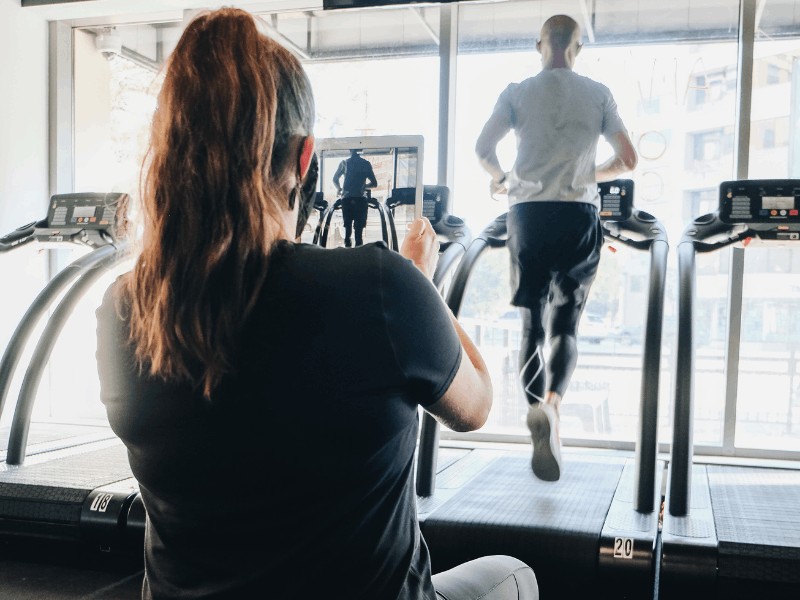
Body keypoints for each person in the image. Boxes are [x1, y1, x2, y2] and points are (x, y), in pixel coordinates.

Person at [95, 8, 538, 600]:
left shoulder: (125, 308)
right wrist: (422, 285)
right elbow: (476, 405)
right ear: (305, 161)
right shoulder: (380, 288)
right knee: (513, 574)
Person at [475, 14, 637, 482]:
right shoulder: (598, 93)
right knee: (565, 323)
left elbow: (483, 149)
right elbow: (628, 159)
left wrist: (503, 180)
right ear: (578, 48)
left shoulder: (517, 92)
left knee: (531, 319)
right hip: (578, 214)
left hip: (527, 213)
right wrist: (592, 174)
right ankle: (553, 406)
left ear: (539, 45)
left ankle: (532, 412)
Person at [333, 148, 378, 247]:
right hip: (360, 199)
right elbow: (374, 183)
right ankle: (359, 255)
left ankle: (348, 253)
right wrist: (364, 186)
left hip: (347, 199)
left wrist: (339, 189)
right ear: (360, 151)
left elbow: (335, 179)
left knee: (347, 230)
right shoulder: (366, 164)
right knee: (359, 233)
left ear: (350, 151)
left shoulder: (344, 163)